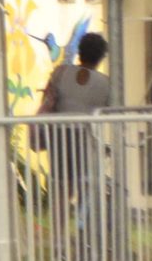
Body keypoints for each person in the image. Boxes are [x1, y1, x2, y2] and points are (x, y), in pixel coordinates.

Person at [34, 32, 114, 232]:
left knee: (61, 188)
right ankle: (83, 229)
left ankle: (58, 237)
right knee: (87, 185)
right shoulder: (105, 83)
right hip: (85, 138)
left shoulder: (61, 73)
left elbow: (47, 99)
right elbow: (110, 110)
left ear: (79, 51)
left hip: (59, 136)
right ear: (101, 57)